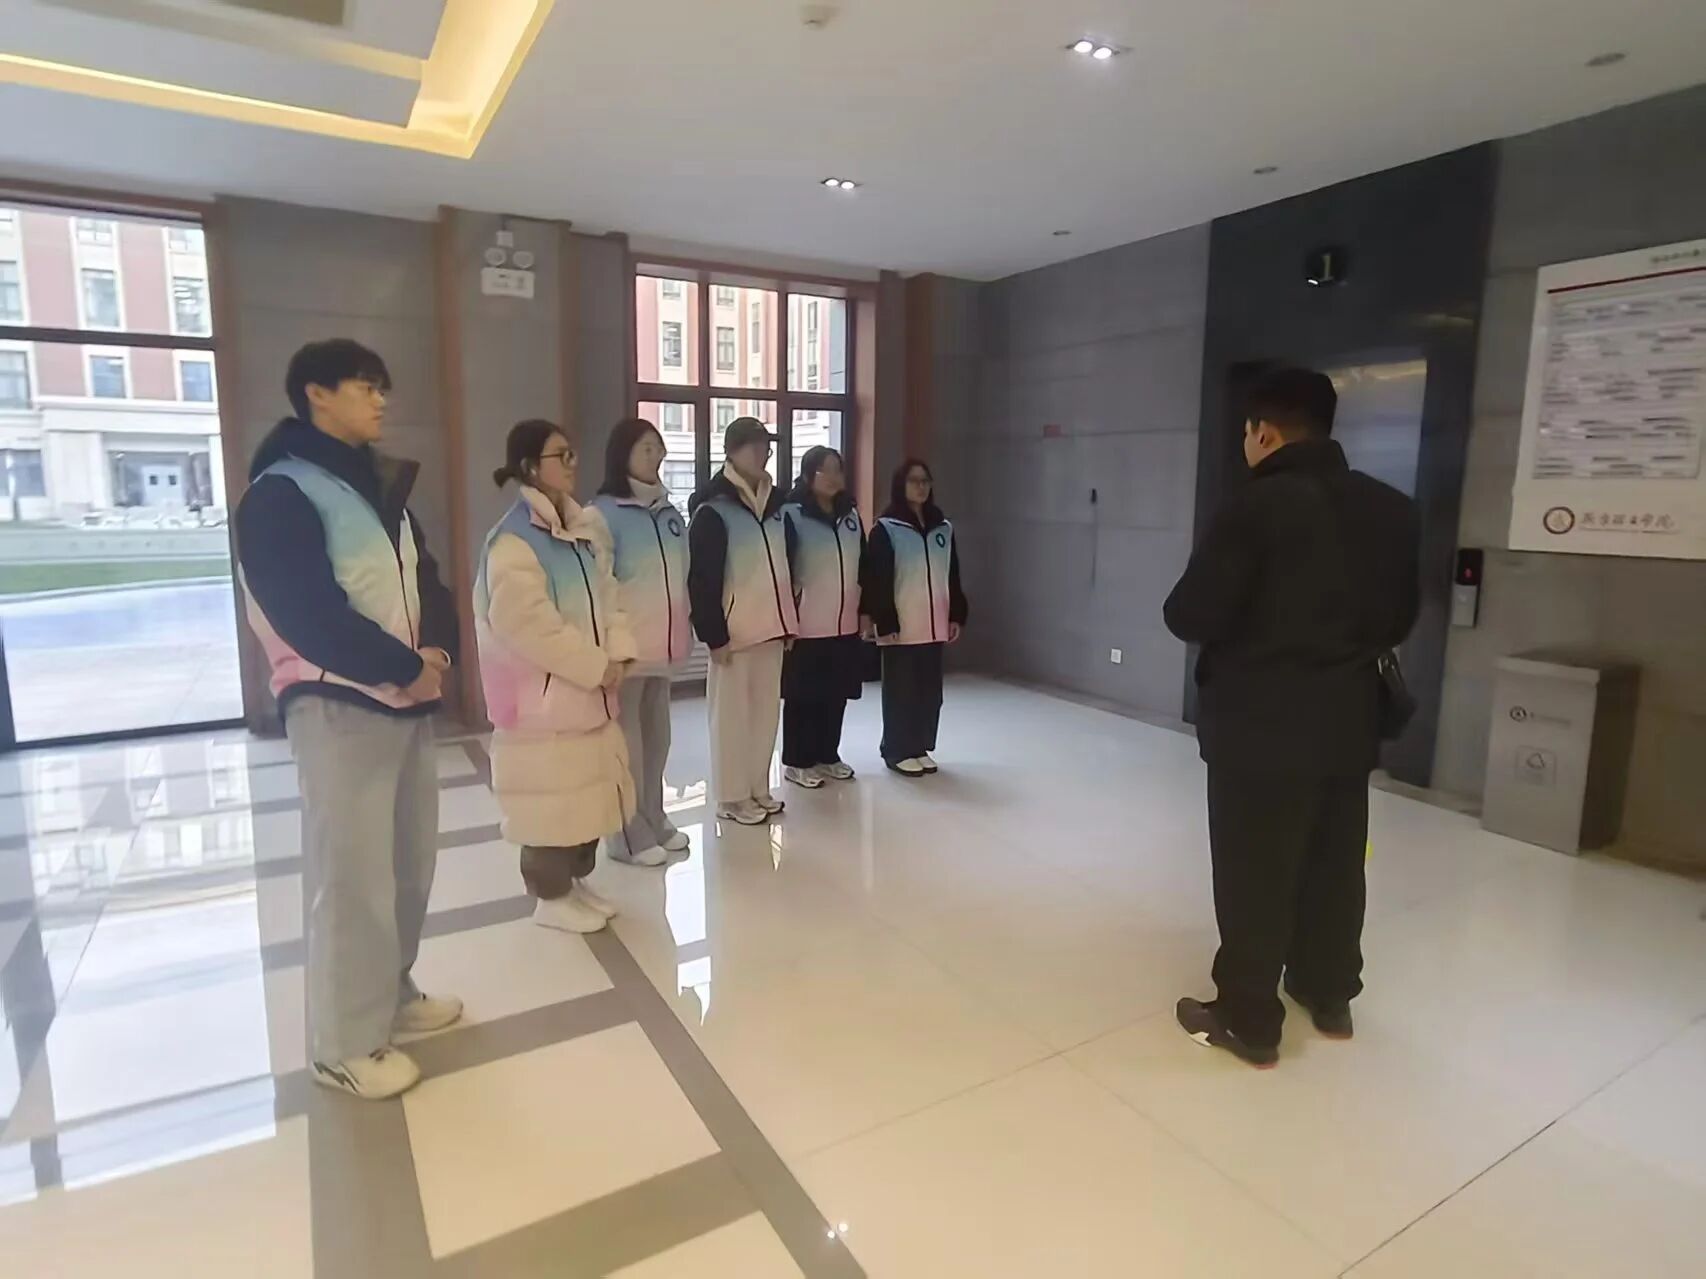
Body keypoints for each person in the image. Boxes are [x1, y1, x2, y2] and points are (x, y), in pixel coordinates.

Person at [1163, 366, 1420, 1069]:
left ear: (1263, 432)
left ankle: (1249, 1017)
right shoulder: (1392, 509)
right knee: (1335, 861)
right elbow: (1399, 619)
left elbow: (1190, 613)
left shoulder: (1254, 508)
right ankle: (1328, 993)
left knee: (1256, 869)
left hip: (1260, 725)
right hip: (1348, 721)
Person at [237, 338, 461, 1101]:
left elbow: (428, 579)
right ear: (317, 394)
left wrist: (436, 650)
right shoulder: (279, 492)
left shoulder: (378, 486)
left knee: (407, 866)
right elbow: (304, 611)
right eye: (366, 386)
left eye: (380, 387)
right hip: (337, 702)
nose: (381, 400)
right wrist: (401, 664)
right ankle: (342, 1041)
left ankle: (390, 993)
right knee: (352, 877)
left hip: (405, 696)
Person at [476, 420, 637, 935]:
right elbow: (528, 627)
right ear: (530, 467)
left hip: (588, 695)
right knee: (548, 805)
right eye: (559, 455)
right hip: (542, 705)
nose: (572, 464)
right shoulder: (514, 543)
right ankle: (550, 895)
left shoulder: (580, 531)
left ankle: (571, 882)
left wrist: (619, 653)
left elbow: (608, 595)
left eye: (572, 454)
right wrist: (594, 666)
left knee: (582, 800)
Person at [592, 419, 693, 866]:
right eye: (646, 448)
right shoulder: (602, 514)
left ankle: (653, 813)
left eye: (659, 448)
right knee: (627, 746)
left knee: (658, 739)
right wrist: (612, 645)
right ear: (623, 454)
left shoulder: (670, 514)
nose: (657, 456)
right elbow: (600, 585)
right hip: (627, 650)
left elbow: (683, 575)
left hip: (664, 646)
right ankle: (625, 832)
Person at [687, 417, 798, 825]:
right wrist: (713, 635)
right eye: (755, 445)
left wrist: (789, 621)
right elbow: (701, 578)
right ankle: (731, 797)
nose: (763, 452)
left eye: (767, 445)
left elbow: (788, 564)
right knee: (731, 718)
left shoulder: (777, 505)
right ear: (732, 451)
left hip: (772, 628)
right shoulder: (713, 509)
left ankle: (756, 787)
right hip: (733, 635)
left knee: (765, 716)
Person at [861, 458, 967, 777]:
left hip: (934, 625)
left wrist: (956, 614)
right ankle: (897, 749)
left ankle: (920, 746)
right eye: (914, 481)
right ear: (901, 485)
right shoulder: (886, 528)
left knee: (929, 693)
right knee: (901, 692)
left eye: (925, 481)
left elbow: (952, 575)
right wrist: (884, 620)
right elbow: (877, 579)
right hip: (901, 627)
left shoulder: (943, 528)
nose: (921, 487)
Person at [780, 445, 866, 788]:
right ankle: (798, 761)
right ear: (807, 475)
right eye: (824, 470)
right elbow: (784, 569)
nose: (832, 477)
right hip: (806, 623)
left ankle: (828, 754)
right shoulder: (792, 514)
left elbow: (864, 565)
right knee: (803, 695)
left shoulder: (850, 515)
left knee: (836, 692)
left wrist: (865, 610)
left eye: (837, 470)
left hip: (844, 621)